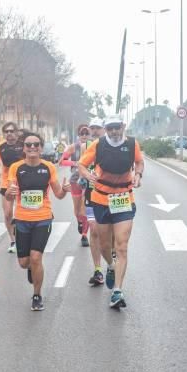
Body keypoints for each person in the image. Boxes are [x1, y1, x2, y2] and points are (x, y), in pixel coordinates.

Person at [78, 115, 144, 309]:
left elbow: (139, 162)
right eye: (110, 128)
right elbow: (81, 164)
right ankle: (110, 266)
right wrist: (86, 174)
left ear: (123, 126)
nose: (114, 131)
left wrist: (138, 175)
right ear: (106, 129)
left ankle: (117, 291)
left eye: (117, 127)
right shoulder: (98, 145)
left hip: (124, 198)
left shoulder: (132, 144)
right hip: (101, 199)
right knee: (105, 245)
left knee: (121, 246)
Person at [6, 132, 71, 311]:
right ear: (24, 148)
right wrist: (8, 193)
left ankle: (37, 295)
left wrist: (65, 190)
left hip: (43, 218)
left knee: (36, 257)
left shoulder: (48, 167)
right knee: (24, 262)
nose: (32, 147)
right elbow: (8, 194)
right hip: (22, 220)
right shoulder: (16, 168)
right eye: (29, 145)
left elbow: (58, 194)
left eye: (36, 145)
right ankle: (31, 269)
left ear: (41, 148)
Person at [0, 122, 25, 254]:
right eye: (6, 131)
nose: (9, 133)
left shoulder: (22, 144)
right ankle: (13, 240)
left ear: (16, 132)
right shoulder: (0, 146)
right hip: (7, 183)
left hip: (23, 182)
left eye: (11, 131)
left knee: (22, 213)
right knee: (7, 214)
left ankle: (23, 237)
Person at [82, 118, 106, 286]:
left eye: (98, 128)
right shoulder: (86, 147)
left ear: (104, 129)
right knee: (94, 231)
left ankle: (112, 262)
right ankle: (98, 270)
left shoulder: (114, 146)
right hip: (91, 194)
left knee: (110, 233)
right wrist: (84, 176)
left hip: (111, 195)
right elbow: (79, 165)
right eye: (93, 128)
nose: (95, 131)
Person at [61, 124, 93, 247]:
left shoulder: (94, 147)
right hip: (75, 180)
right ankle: (80, 222)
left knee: (85, 208)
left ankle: (84, 234)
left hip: (89, 180)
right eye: (82, 133)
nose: (84, 135)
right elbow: (62, 161)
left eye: (86, 133)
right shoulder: (73, 147)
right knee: (77, 209)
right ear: (78, 135)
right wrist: (76, 163)